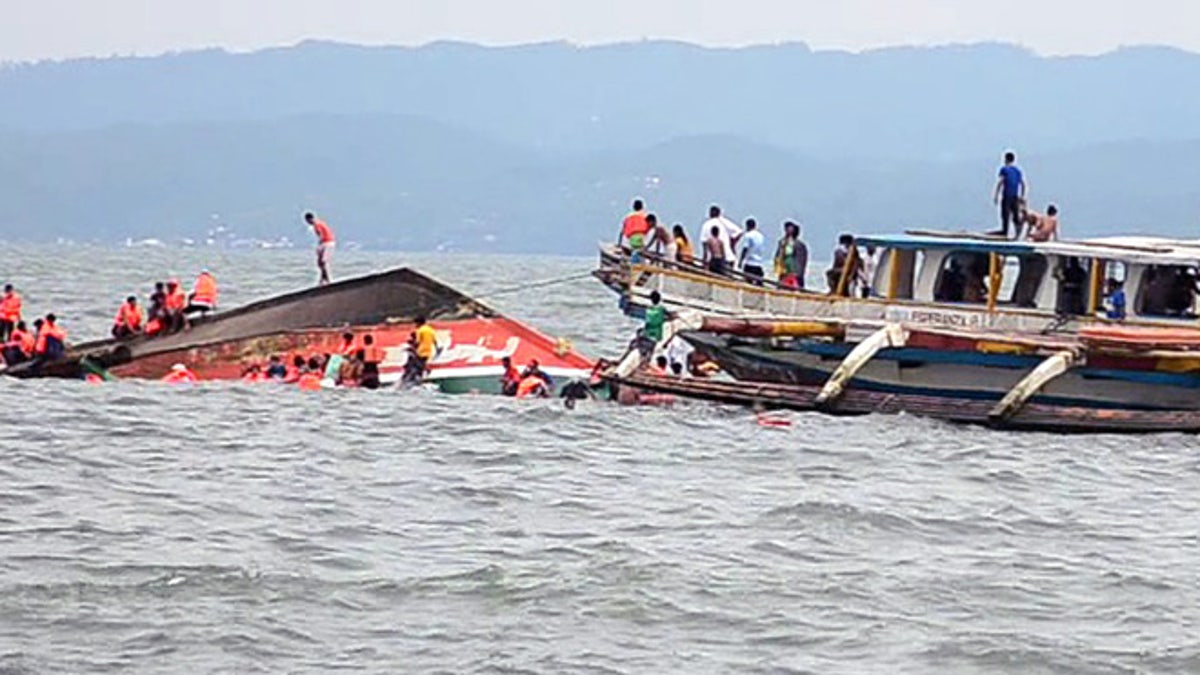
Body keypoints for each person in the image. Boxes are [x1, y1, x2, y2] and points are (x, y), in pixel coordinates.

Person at [993, 151, 1027, 239]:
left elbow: (1000, 182)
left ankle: (1005, 232)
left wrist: (996, 195)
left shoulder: (1004, 169)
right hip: (1015, 196)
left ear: (1006, 159)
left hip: (1007, 195)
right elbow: (1023, 184)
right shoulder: (1017, 171)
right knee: (1015, 215)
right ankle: (1018, 233)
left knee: (1005, 214)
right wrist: (1022, 196)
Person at [305, 212, 336, 285]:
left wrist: (319, 246)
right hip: (326, 242)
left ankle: (327, 280)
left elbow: (321, 235)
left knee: (323, 261)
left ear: (309, 219)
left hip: (327, 242)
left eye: (307, 221)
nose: (308, 223)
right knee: (320, 263)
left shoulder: (317, 225)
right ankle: (322, 279)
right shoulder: (319, 223)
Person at [738, 218, 767, 285]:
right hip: (759, 263)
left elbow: (745, 248)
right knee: (759, 283)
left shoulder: (748, 235)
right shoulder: (761, 236)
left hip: (750, 262)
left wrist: (741, 260)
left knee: (748, 283)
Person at [410, 316, 438, 381]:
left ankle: (426, 371)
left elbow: (417, 342)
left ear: (418, 323)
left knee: (417, 365)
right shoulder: (430, 330)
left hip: (420, 351)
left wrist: (412, 348)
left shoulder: (420, 330)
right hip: (428, 351)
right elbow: (435, 341)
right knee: (421, 363)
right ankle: (423, 373)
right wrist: (436, 349)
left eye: (415, 323)